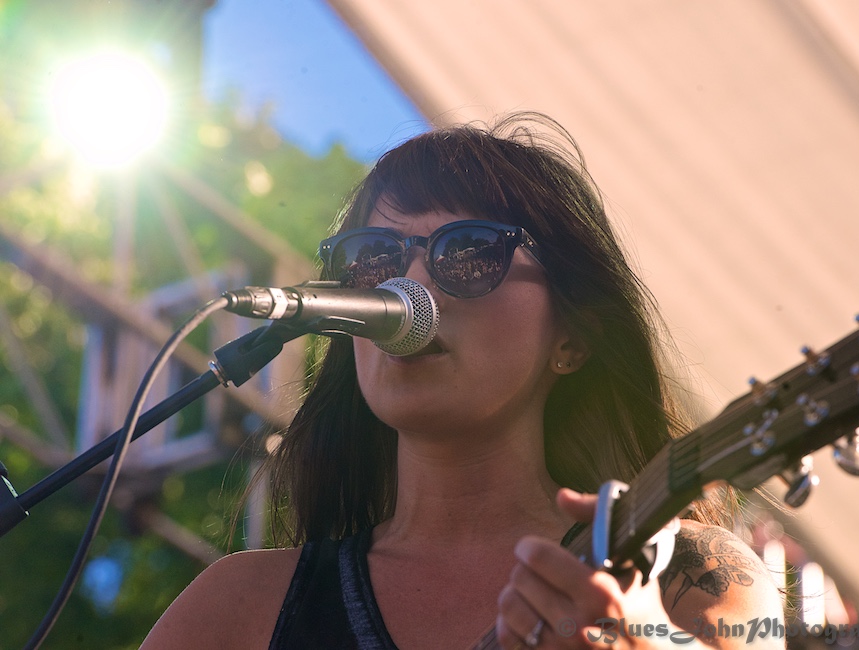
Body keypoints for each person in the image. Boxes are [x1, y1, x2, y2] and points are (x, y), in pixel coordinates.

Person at [141, 113, 784, 649]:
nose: (407, 285)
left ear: (574, 336)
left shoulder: (685, 574)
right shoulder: (239, 608)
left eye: (470, 252)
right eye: (374, 259)